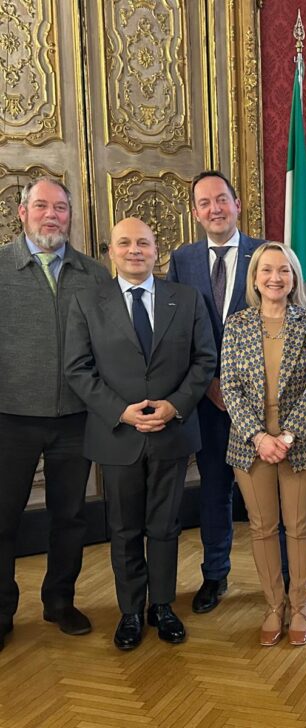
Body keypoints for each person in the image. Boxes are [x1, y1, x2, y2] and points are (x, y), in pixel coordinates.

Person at [167, 171, 306, 614]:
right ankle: (216, 575)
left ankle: (296, 582)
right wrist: (209, 384)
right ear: (195, 212)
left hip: (273, 404)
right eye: (204, 202)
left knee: (286, 502)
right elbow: (183, 331)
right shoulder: (183, 259)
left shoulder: (267, 255)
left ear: (237, 204)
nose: (214, 208)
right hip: (209, 398)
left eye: (222, 199)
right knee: (215, 488)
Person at [65, 217, 216, 650]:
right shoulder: (88, 302)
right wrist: (121, 412)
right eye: (125, 243)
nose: (135, 250)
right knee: (125, 528)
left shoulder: (185, 299)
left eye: (144, 243)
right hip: (117, 434)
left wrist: (175, 405)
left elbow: (205, 360)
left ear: (157, 251)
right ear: (110, 252)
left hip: (173, 431)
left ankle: (162, 606)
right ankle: (131, 611)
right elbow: (78, 368)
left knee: (166, 526)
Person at [0, 177, 111, 650]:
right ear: (21, 213)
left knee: (69, 516)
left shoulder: (93, 274)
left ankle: (60, 602)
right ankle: (2, 612)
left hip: (76, 419)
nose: (52, 215)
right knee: (2, 520)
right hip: (10, 419)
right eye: (41, 206)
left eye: (61, 208)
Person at [220, 243, 306, 647]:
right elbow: (228, 386)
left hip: (299, 443)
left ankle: (299, 605)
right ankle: (273, 605)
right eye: (267, 270)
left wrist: (286, 435)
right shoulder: (237, 324)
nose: (275, 278)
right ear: (255, 278)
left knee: (298, 527)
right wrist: (259, 436)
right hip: (250, 443)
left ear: (294, 277)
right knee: (263, 528)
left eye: (284, 270)